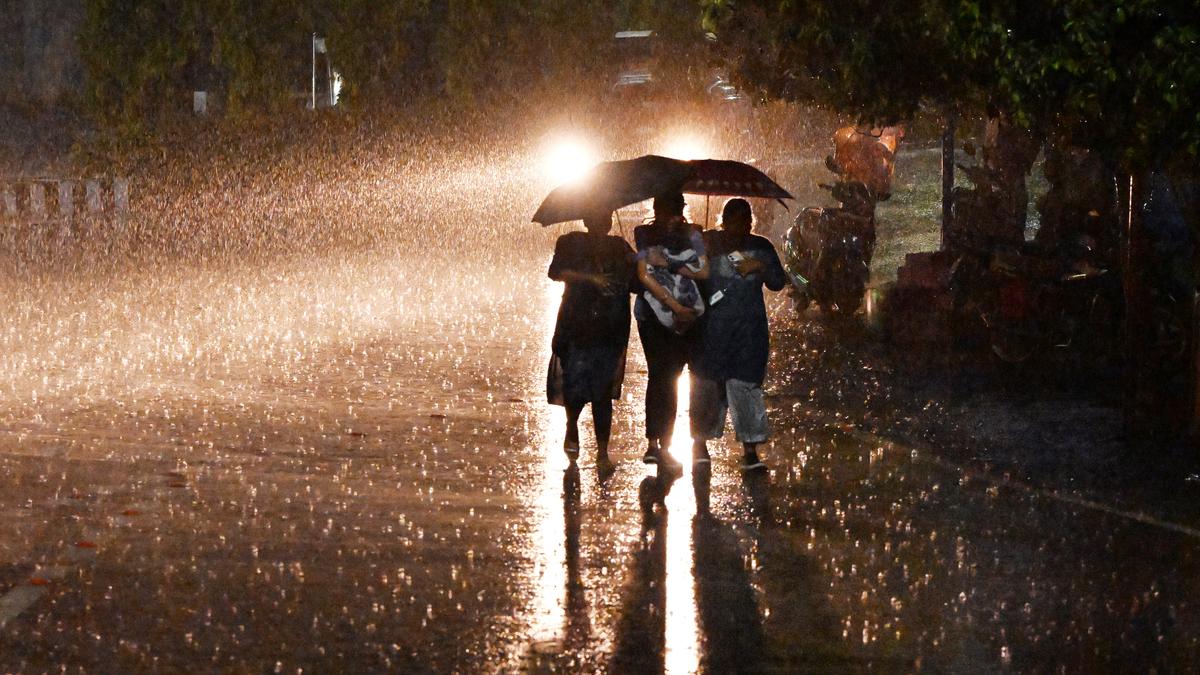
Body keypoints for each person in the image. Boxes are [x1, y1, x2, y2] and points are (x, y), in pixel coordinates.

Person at [690, 198, 787, 471]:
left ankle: (750, 449)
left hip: (749, 331)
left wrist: (761, 267)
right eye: (735, 220)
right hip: (711, 329)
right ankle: (700, 444)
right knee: (707, 386)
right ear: (724, 220)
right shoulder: (709, 242)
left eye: (745, 221)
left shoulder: (761, 247)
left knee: (746, 386)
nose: (741, 226)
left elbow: (779, 282)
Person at [547, 210, 635, 465]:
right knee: (575, 383)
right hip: (577, 321)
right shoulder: (570, 241)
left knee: (603, 390)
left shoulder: (619, 245)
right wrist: (591, 279)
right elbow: (555, 271)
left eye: (606, 217)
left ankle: (602, 450)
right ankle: (572, 425)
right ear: (586, 220)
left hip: (610, 323)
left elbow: (633, 277)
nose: (602, 222)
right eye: (597, 217)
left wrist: (632, 262)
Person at [634, 192, 709, 466]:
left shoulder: (695, 234)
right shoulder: (643, 233)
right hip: (654, 314)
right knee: (661, 375)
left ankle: (682, 441)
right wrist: (673, 307)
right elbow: (643, 274)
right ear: (656, 209)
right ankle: (655, 442)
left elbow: (703, 271)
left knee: (686, 375)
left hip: (691, 312)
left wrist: (670, 264)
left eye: (677, 209)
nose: (672, 217)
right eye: (666, 210)